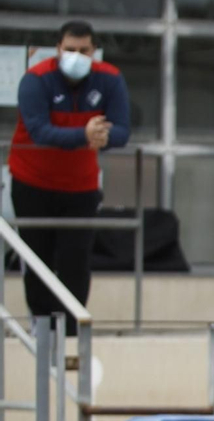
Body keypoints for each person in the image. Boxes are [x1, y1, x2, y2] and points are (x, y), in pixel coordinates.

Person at [7, 20, 130, 336]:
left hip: (81, 186)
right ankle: (42, 328)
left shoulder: (110, 79)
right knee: (38, 259)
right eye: (70, 49)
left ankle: (72, 331)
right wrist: (84, 134)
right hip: (32, 182)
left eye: (84, 50)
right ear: (58, 49)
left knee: (76, 260)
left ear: (94, 51)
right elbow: (40, 132)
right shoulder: (36, 80)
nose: (76, 56)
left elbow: (122, 130)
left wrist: (104, 136)